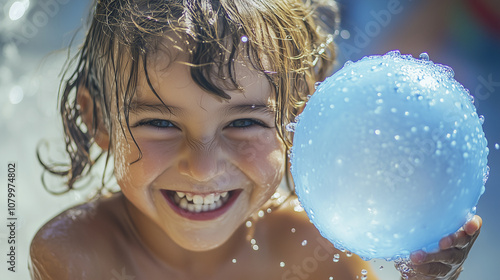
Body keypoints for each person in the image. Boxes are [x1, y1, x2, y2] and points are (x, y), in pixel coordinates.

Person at [29, 0, 482, 279]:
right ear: (100, 121)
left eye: (243, 123)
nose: (202, 168)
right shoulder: (75, 257)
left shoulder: (315, 256)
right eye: (161, 124)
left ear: (301, 118)